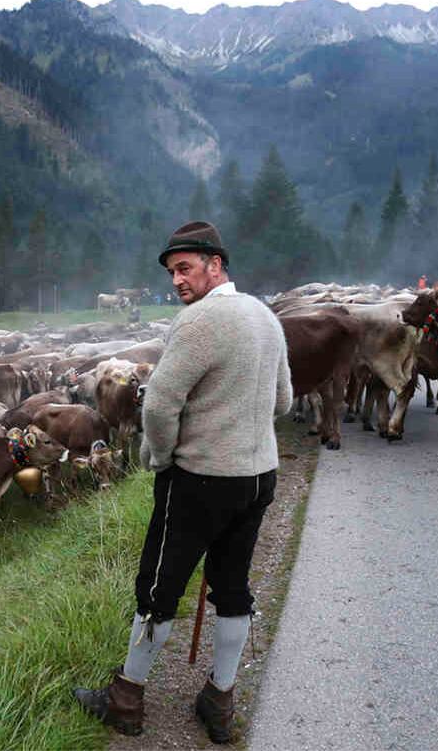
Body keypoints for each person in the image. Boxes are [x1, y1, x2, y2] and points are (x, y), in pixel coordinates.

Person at [72, 220, 293, 743]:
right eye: (173, 271)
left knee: (158, 587)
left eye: (186, 268)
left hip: (200, 480)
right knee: (233, 587)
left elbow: (161, 404)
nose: (177, 280)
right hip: (259, 476)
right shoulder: (265, 316)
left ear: (216, 265)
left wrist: (164, 458)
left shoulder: (197, 322)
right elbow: (283, 401)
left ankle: (125, 700)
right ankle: (220, 700)